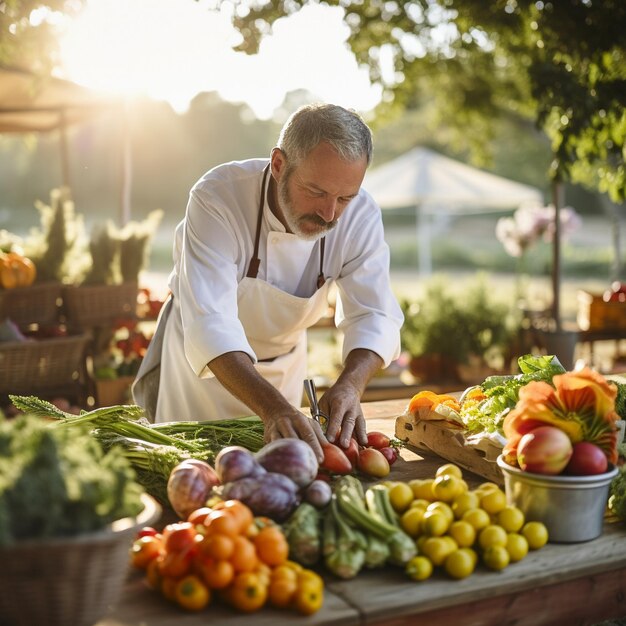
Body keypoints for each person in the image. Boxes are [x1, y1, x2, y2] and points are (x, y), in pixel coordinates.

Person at [132, 103, 403, 462]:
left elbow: (375, 315)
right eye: (316, 192)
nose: (330, 213)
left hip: (284, 371)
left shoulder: (361, 216)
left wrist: (350, 385)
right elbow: (210, 324)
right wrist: (273, 408)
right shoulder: (218, 198)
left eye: (344, 198)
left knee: (280, 478)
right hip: (203, 378)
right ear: (278, 165)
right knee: (192, 469)